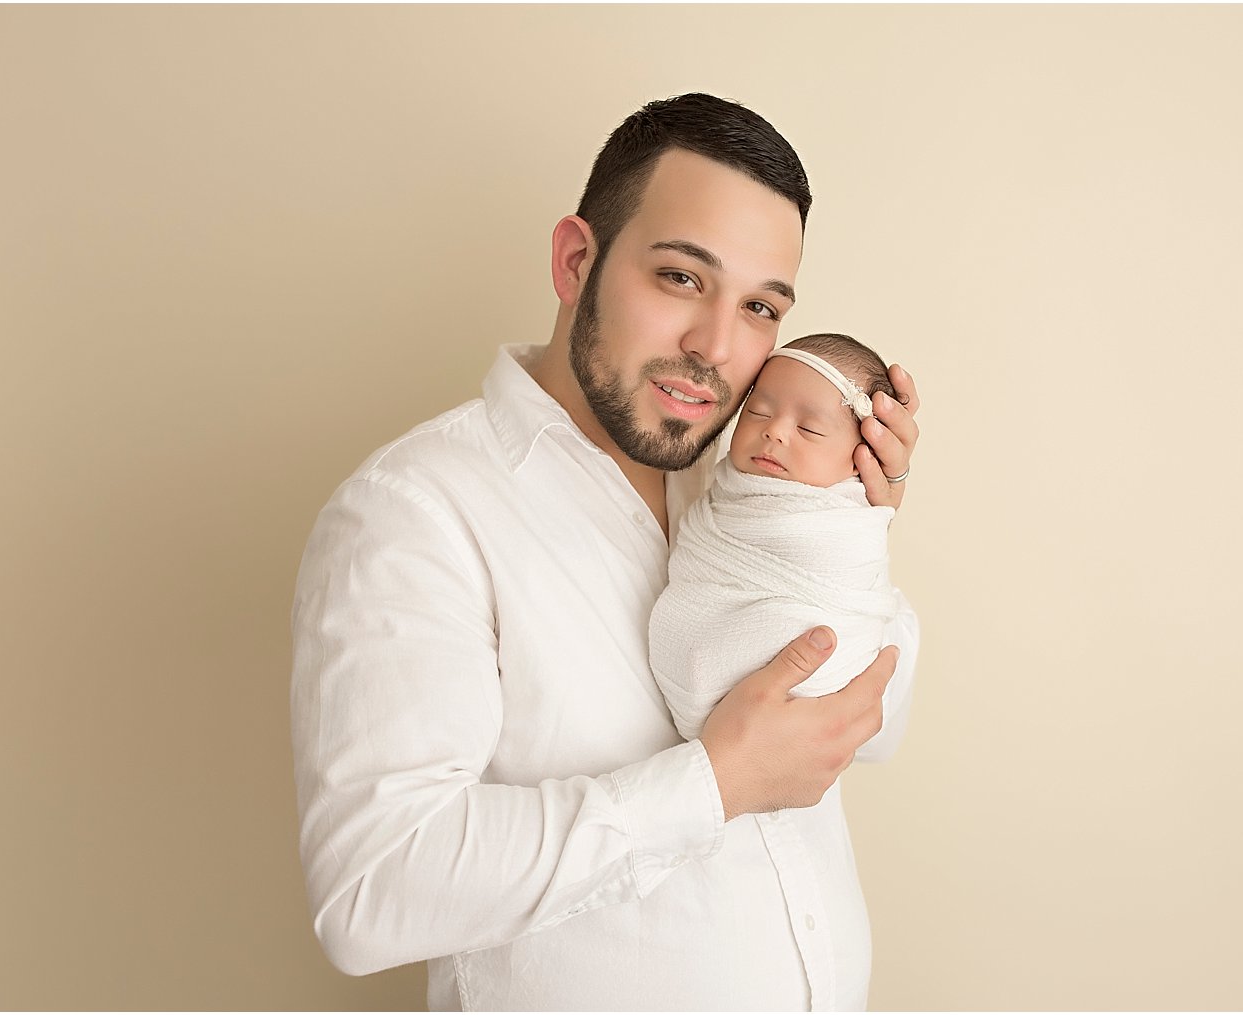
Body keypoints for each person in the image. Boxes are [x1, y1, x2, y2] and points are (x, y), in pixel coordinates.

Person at [290, 93, 922, 1011]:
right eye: (681, 278)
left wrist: (854, 532)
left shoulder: (758, 486)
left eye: (758, 306)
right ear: (575, 260)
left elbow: (877, 724)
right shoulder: (416, 513)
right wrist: (713, 783)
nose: (716, 347)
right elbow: (370, 890)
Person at [652, 333, 909, 742]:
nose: (774, 432)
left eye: (809, 428)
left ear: (864, 457)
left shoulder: (849, 526)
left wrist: (877, 516)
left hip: (809, 688)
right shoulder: (719, 486)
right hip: (698, 676)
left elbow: (877, 729)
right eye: (757, 412)